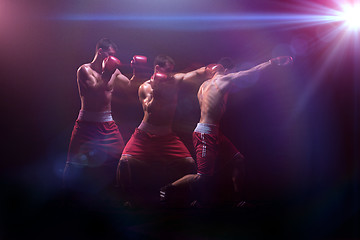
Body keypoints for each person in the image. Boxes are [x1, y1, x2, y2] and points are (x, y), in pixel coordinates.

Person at [160, 56, 293, 208]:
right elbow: (251, 72)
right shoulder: (223, 80)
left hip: (213, 132)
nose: (235, 74)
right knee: (203, 177)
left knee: (238, 160)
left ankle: (238, 201)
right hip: (205, 134)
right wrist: (271, 63)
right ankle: (168, 188)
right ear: (227, 70)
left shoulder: (204, 85)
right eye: (234, 71)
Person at [116, 55, 217, 207]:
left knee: (190, 164)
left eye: (171, 70)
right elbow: (149, 108)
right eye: (167, 70)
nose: (170, 74)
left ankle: (191, 199)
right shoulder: (145, 87)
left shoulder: (174, 80)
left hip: (167, 137)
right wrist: (158, 90)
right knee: (124, 162)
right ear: (157, 68)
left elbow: (193, 75)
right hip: (144, 136)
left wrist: (208, 70)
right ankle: (126, 199)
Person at [63, 38, 147, 206]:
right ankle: (64, 198)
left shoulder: (114, 71)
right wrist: (108, 72)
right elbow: (95, 89)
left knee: (122, 160)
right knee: (72, 163)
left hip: (107, 123)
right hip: (86, 123)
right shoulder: (84, 70)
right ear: (100, 52)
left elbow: (130, 86)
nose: (112, 58)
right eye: (109, 54)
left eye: (113, 55)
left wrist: (137, 71)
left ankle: (124, 197)